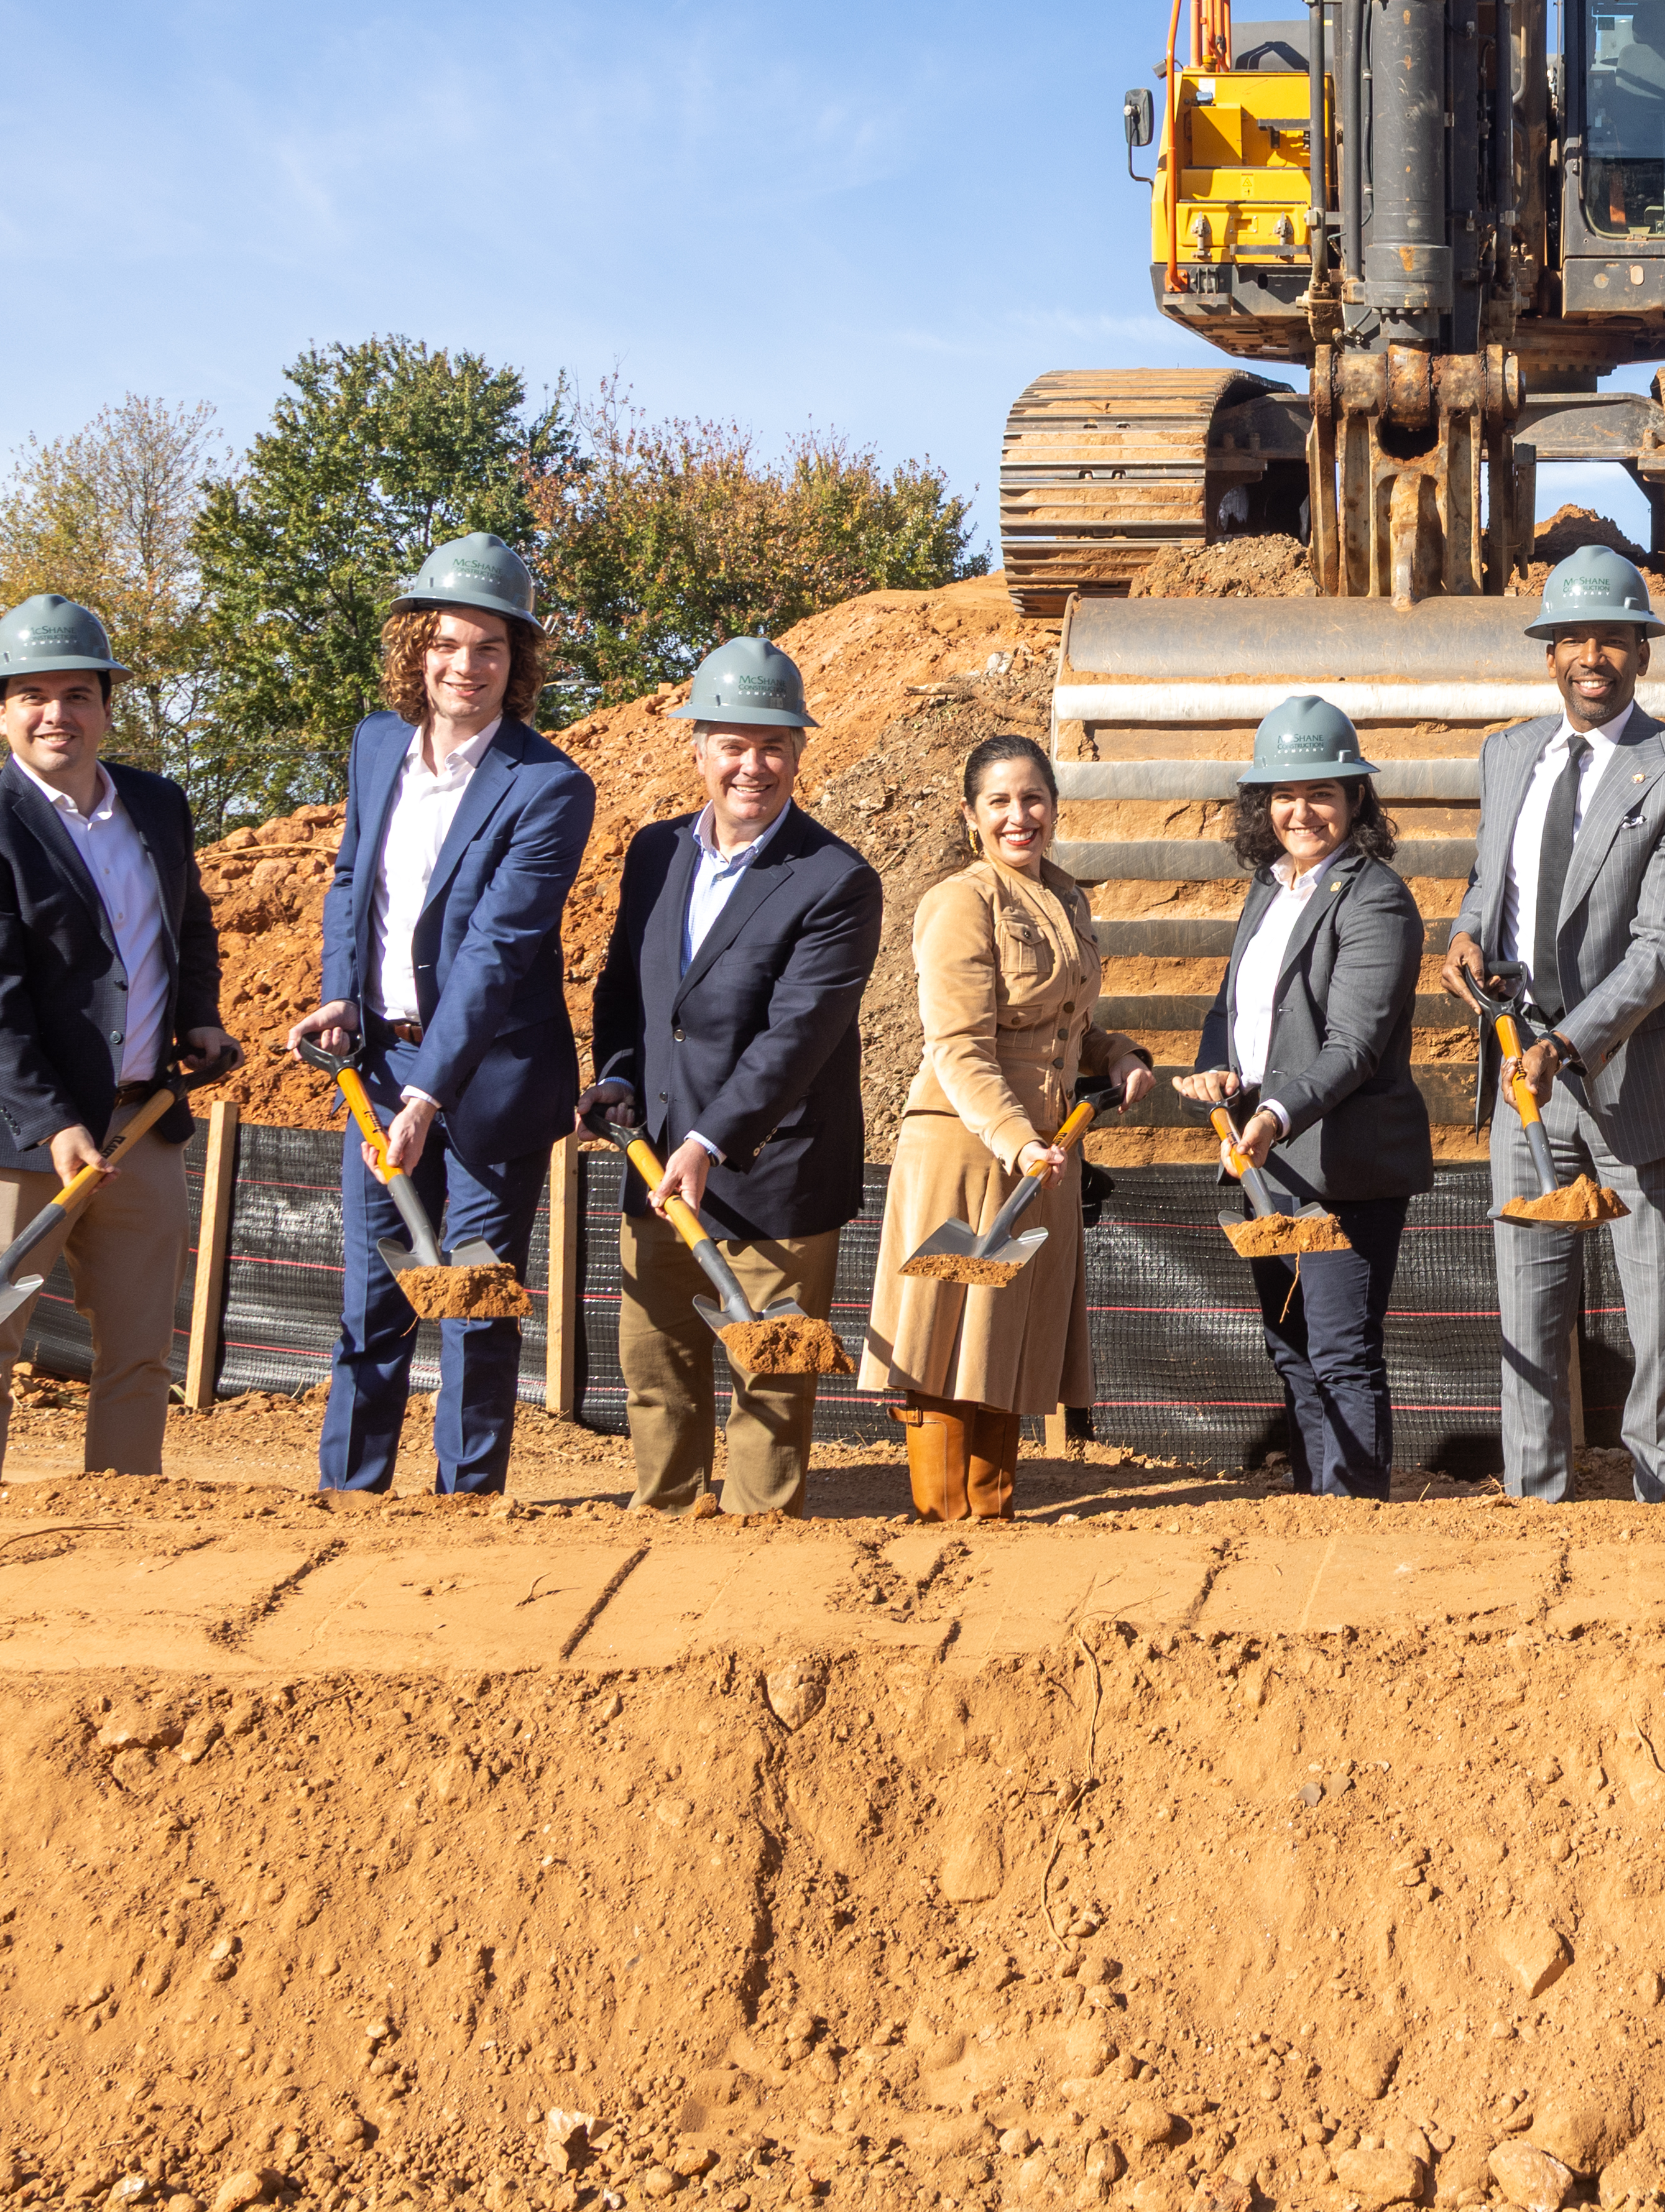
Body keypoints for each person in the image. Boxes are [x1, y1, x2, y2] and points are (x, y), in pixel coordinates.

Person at [0, 597, 242, 1499]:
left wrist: (198, 1015)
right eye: (32, 694)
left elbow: (190, 923)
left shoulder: (158, 804)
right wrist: (52, 1118)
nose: (57, 712)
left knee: (138, 1350)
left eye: (77, 693)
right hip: (13, 1136)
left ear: (105, 705)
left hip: (140, 1124)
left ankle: (119, 1526)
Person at [292, 533, 597, 1499]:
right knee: (373, 1294)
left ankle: (465, 1503)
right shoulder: (377, 743)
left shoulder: (549, 785)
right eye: (450, 644)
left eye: (491, 649)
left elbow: (500, 948)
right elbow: (353, 880)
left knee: (474, 1298)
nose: (467, 667)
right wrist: (343, 989)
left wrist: (429, 1093)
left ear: (520, 663)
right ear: (417, 646)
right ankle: (352, 1492)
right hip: (374, 1062)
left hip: (489, 1081)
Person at [1444, 546, 1665, 1503]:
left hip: (1636, 1080)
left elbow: (1663, 945)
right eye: (1573, 636)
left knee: (1661, 1326)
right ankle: (1536, 1503)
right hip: (1524, 1087)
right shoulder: (1507, 754)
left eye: (1613, 636)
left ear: (1642, 652)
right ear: (1549, 653)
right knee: (1526, 1314)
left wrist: (1569, 1039)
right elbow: (1498, 881)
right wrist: (1463, 932)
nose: (1592, 654)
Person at [587, 637, 884, 1518]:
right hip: (656, 1163)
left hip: (773, 1170)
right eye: (732, 743)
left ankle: (760, 1549)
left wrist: (711, 1139)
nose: (752, 766)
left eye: (773, 745)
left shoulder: (836, 879)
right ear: (699, 747)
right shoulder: (654, 853)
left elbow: (797, 1038)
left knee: (773, 1377)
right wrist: (613, 1076)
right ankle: (664, 1525)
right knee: (657, 1366)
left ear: (799, 752)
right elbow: (626, 989)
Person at [873, 732, 1151, 1521]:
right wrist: (1016, 1138)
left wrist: (1119, 1052)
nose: (1018, 815)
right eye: (999, 801)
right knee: (949, 1332)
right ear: (971, 815)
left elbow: (1064, 1023)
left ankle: (989, 1516)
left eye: (1032, 798)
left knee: (1005, 1330)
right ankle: (942, 1516)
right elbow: (957, 1045)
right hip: (969, 1143)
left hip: (1043, 1147)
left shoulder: (1065, 898)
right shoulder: (960, 901)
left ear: (1055, 809)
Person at [1184, 694, 1430, 1500]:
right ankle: (1316, 1502)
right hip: (1266, 1161)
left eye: (1322, 791)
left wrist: (1273, 1112)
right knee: (1289, 1347)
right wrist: (1219, 1067)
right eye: (1283, 793)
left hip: (1340, 1166)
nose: (1301, 810)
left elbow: (1352, 1045)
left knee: (1339, 1350)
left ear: (1356, 798)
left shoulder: (1376, 898)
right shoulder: (1270, 887)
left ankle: (1353, 1508)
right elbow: (1234, 1008)